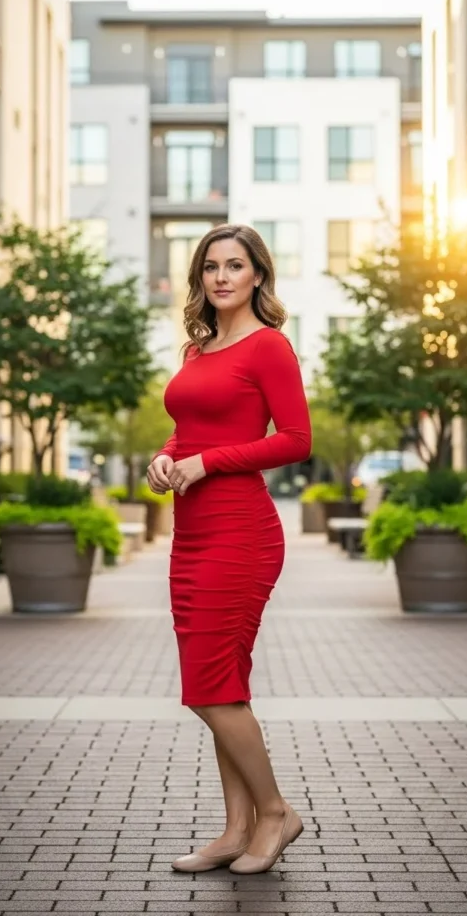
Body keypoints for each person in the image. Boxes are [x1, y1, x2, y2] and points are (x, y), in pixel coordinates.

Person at [147, 223, 312, 875]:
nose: (221, 276)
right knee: (223, 685)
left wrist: (208, 463)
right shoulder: (198, 349)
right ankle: (235, 829)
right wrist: (166, 457)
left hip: (241, 533)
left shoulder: (269, 346)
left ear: (258, 275)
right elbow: (188, 429)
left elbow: (295, 439)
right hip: (191, 534)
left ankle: (275, 813)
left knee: (209, 687)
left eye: (235, 265)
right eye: (211, 266)